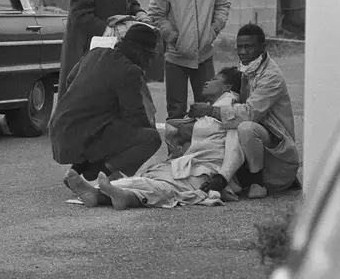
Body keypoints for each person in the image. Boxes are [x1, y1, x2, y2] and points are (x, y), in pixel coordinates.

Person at [63, 67, 246, 210]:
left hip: (206, 172)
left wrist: (221, 178)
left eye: (214, 79)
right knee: (148, 179)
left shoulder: (231, 111)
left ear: (227, 87)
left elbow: (234, 149)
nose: (207, 81)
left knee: (166, 188)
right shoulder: (209, 111)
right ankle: (97, 193)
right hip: (188, 165)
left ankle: (115, 195)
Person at [189, 24, 301, 199]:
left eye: (248, 47)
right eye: (239, 47)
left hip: (278, 157)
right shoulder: (247, 69)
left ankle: (257, 183)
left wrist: (211, 110)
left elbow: (249, 113)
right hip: (257, 147)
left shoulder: (271, 76)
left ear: (262, 47)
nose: (242, 52)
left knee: (245, 127)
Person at [49, 24, 162, 185]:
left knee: (109, 126)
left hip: (60, 130)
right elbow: (135, 117)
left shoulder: (95, 53)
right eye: (148, 57)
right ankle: (102, 174)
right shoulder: (129, 71)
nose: (149, 62)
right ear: (139, 53)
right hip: (83, 136)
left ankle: (74, 172)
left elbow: (70, 80)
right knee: (151, 138)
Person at [149, 0, 231, 120]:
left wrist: (214, 29)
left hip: (204, 56)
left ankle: (204, 148)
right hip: (175, 58)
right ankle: (176, 149)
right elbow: (156, 14)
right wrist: (172, 37)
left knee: (207, 108)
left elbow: (222, 5)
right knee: (176, 110)